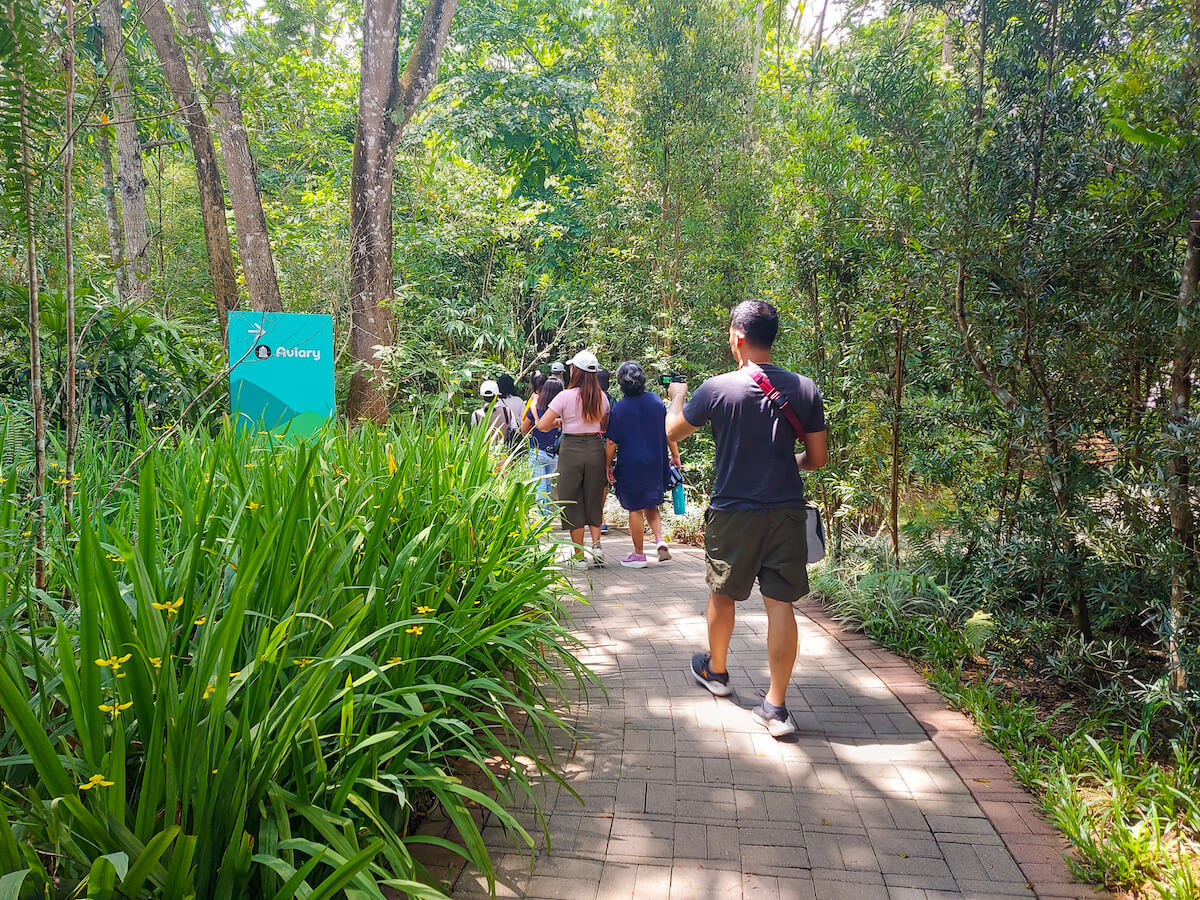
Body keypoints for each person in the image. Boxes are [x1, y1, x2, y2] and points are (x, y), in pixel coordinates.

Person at [665, 300, 828, 738]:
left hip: (732, 512)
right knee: (781, 605)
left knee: (723, 595)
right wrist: (781, 462)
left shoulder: (716, 388)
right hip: (786, 511)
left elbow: (672, 432)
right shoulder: (805, 388)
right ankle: (775, 707)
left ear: (737, 337)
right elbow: (817, 458)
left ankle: (716, 673)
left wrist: (677, 396)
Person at [537, 350, 610, 567]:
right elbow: (604, 426)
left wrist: (560, 422)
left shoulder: (565, 396)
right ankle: (596, 548)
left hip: (571, 449)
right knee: (594, 498)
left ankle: (579, 557)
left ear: (575, 371)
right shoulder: (602, 397)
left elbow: (542, 425)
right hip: (596, 448)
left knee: (571, 500)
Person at [605, 361, 680, 568]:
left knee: (635, 508)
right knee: (651, 502)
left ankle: (638, 555)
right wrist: (676, 455)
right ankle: (659, 540)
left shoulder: (619, 409)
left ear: (621, 383)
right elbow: (669, 431)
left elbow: (611, 441)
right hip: (656, 461)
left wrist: (607, 465)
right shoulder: (656, 401)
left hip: (631, 464)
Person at [522, 376, 563, 518]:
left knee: (539, 487)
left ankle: (541, 519)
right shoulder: (561, 410)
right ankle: (544, 516)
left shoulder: (536, 408)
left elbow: (524, 428)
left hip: (537, 451)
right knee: (547, 485)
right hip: (554, 453)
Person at [471, 379, 518, 444]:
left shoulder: (476, 414)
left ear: (482, 397)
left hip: (482, 452)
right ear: (497, 395)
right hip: (503, 452)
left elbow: (474, 435)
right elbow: (514, 429)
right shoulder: (507, 412)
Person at [597, 368, 613, 534]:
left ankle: (597, 515)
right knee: (603, 482)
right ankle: (600, 515)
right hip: (609, 445)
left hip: (592, 443)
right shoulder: (613, 400)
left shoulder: (590, 398)